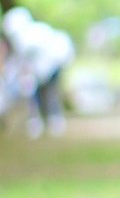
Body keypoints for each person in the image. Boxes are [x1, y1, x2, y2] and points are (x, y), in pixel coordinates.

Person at [2, 7, 75, 137]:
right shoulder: (33, 32)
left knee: (47, 94)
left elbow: (28, 59)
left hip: (48, 68)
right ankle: (43, 122)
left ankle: (50, 121)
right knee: (40, 96)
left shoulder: (30, 35)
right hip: (40, 71)